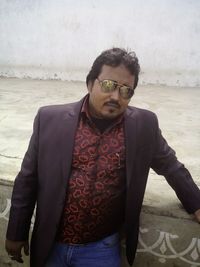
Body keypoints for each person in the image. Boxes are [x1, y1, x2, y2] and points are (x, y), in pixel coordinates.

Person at [5, 48, 200, 267]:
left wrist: (196, 203)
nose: (116, 96)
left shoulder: (143, 126)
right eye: (108, 85)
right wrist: (16, 232)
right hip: (51, 244)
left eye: (126, 90)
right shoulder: (50, 119)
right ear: (90, 83)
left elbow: (170, 166)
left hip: (101, 250)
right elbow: (27, 179)